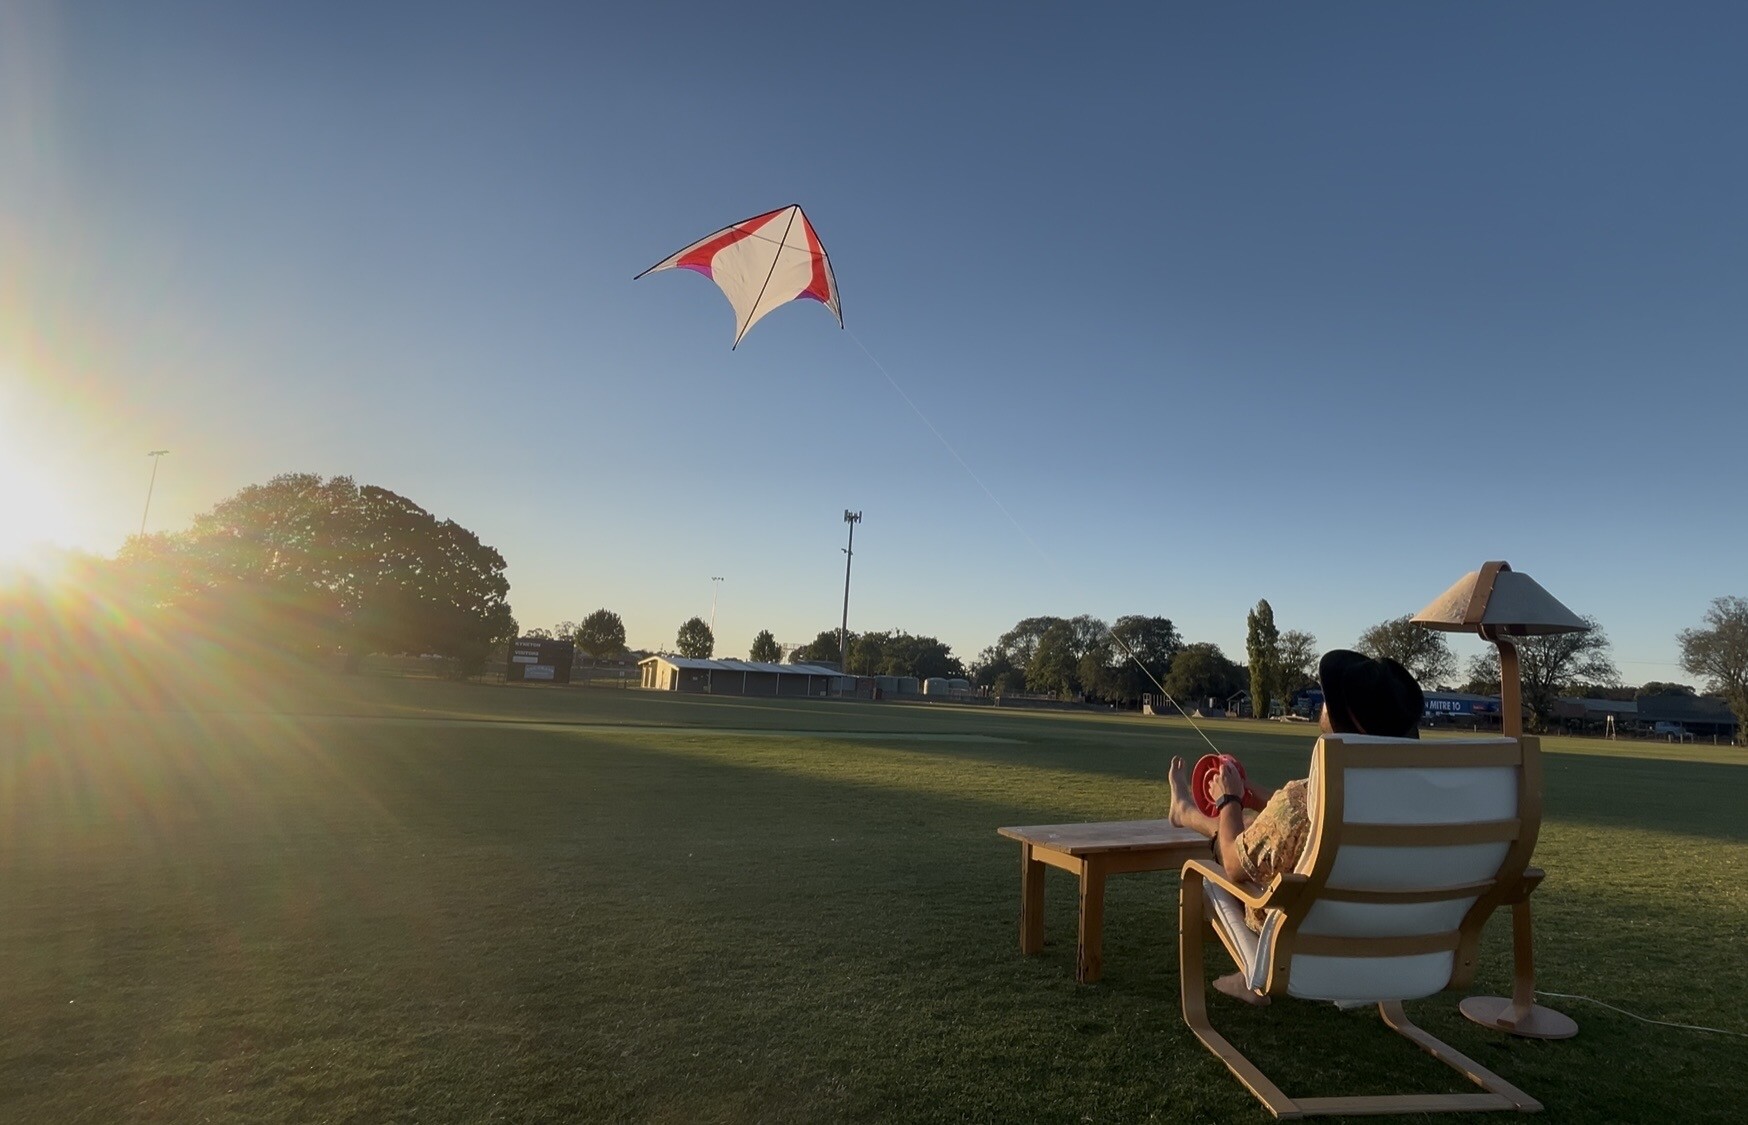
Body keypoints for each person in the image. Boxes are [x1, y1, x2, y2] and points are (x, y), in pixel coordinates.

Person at [1167, 649, 1425, 1001]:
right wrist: (1253, 796)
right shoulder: (1411, 804)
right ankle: (1185, 810)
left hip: (1298, 949)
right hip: (1387, 947)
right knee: (1258, 831)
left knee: (1216, 873)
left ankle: (1252, 975)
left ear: (1342, 719)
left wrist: (1228, 800)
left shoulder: (1301, 802)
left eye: (1329, 700)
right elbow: (1308, 816)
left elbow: (1233, 861)